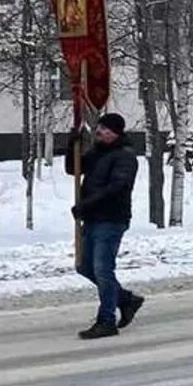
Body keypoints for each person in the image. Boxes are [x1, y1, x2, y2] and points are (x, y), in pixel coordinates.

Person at [68, 112, 145, 339]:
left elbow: (116, 188)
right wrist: (71, 143)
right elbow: (74, 169)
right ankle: (125, 299)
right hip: (93, 218)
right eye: (100, 128)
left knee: (103, 269)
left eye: (105, 130)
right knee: (84, 266)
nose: (100, 132)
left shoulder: (125, 157)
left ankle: (106, 321)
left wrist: (85, 204)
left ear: (116, 133)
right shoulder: (98, 153)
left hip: (111, 219)